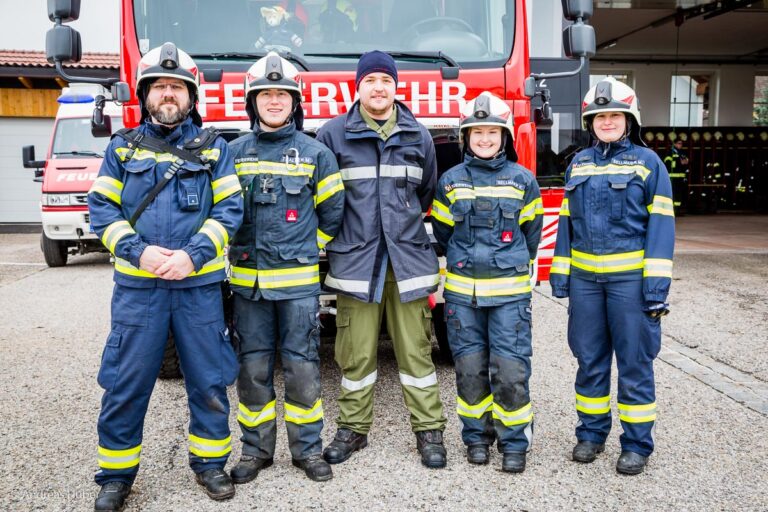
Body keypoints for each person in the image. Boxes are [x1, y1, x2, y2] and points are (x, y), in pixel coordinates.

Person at [87, 43, 243, 511]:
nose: (168, 94)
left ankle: (210, 465)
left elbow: (230, 210)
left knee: (208, 380)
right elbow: (101, 209)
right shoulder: (121, 148)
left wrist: (194, 256)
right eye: (160, 86)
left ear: (191, 96)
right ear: (145, 95)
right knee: (125, 383)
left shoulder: (216, 150)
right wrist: (139, 251)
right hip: (139, 291)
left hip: (197, 290)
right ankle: (115, 476)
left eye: (176, 87)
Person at [316, 50, 448, 469]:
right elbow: (324, 198)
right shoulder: (333, 135)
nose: (379, 88)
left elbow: (424, 195)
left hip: (407, 264)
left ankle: (429, 432)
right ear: (357, 87)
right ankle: (353, 430)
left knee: (416, 354)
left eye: (386, 81)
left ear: (395, 87)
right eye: (370, 80)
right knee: (355, 355)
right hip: (356, 265)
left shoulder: (418, 135)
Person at [226, 52, 344, 483]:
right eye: (265, 94)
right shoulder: (231, 153)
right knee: (252, 371)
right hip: (248, 286)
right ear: (251, 101)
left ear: (296, 102)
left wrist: (305, 250)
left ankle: (308, 451)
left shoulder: (317, 153)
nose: (274, 101)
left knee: (303, 368)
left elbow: (333, 214)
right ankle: (256, 452)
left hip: (297, 288)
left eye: (282, 94)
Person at [550, 77, 675, 475]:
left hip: (630, 287)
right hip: (586, 286)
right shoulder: (579, 163)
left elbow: (661, 229)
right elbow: (566, 226)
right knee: (589, 361)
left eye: (614, 115)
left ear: (629, 119)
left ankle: (637, 444)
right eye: (599, 116)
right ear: (590, 122)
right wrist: (561, 274)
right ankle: (590, 434)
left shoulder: (648, 163)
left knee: (635, 364)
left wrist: (655, 289)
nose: (606, 122)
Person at [431, 92, 543, 473]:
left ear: (505, 136)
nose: (483, 139)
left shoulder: (523, 180)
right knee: (469, 370)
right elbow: (444, 234)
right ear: (465, 137)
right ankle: (476, 438)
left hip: (510, 298)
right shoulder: (449, 182)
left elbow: (531, 236)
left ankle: (514, 443)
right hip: (463, 298)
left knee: (510, 372)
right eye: (476, 132)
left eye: (491, 132)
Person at [663, 138, 689, 213]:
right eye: (678, 143)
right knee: (673, 194)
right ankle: (672, 210)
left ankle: (677, 210)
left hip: (680, 178)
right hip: (672, 177)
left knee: (679, 194)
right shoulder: (670, 153)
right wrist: (679, 162)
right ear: (674, 144)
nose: (680, 145)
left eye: (681, 143)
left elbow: (686, 162)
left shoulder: (681, 153)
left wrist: (682, 162)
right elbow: (667, 163)